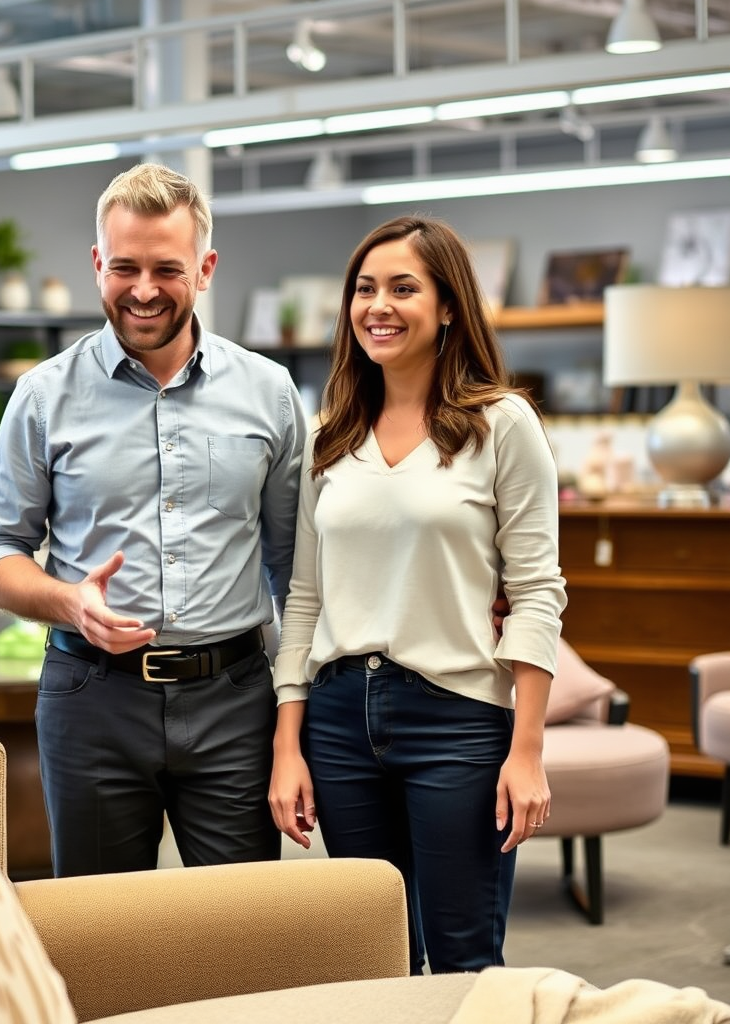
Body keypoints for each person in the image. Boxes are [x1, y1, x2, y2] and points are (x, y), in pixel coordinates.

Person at [0, 162, 306, 877]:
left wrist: (293, 724)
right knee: (99, 940)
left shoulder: (268, 393)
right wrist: (68, 601)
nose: (144, 290)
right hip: (92, 701)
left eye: (167, 269)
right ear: (97, 265)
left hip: (235, 702)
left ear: (205, 268)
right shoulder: (42, 396)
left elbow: (294, 569)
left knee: (249, 933)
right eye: (124, 267)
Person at [269, 215, 566, 975]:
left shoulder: (504, 426)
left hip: (459, 720)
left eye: (404, 288)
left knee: (465, 958)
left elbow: (536, 594)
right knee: (378, 956)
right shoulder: (329, 434)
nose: (379, 305)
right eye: (365, 289)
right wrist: (287, 746)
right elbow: (304, 597)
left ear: (447, 308)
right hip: (337, 723)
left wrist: (526, 751)